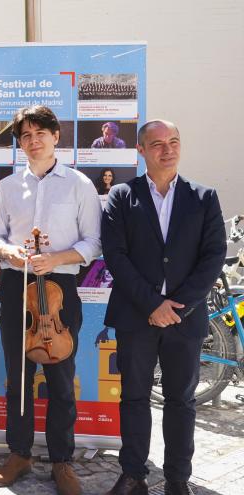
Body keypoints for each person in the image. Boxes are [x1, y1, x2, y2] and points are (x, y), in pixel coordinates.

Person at [101, 120, 225, 495]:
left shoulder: (203, 197)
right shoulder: (122, 196)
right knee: (134, 397)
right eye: (157, 144)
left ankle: (176, 480)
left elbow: (213, 255)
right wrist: (153, 304)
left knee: (181, 401)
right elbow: (115, 256)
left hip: (184, 321)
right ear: (141, 150)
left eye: (174, 141)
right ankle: (134, 475)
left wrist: (178, 307)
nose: (167, 149)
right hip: (136, 316)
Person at [0, 105, 101, 495]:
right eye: (26, 136)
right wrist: (8, 253)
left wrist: (57, 257)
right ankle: (19, 453)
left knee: (61, 380)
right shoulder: (7, 187)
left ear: (56, 136)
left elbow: (94, 242)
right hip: (16, 287)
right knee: (18, 377)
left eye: (40, 134)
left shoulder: (79, 184)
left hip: (60, 288)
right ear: (20, 143)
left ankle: (62, 461)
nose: (33, 142)